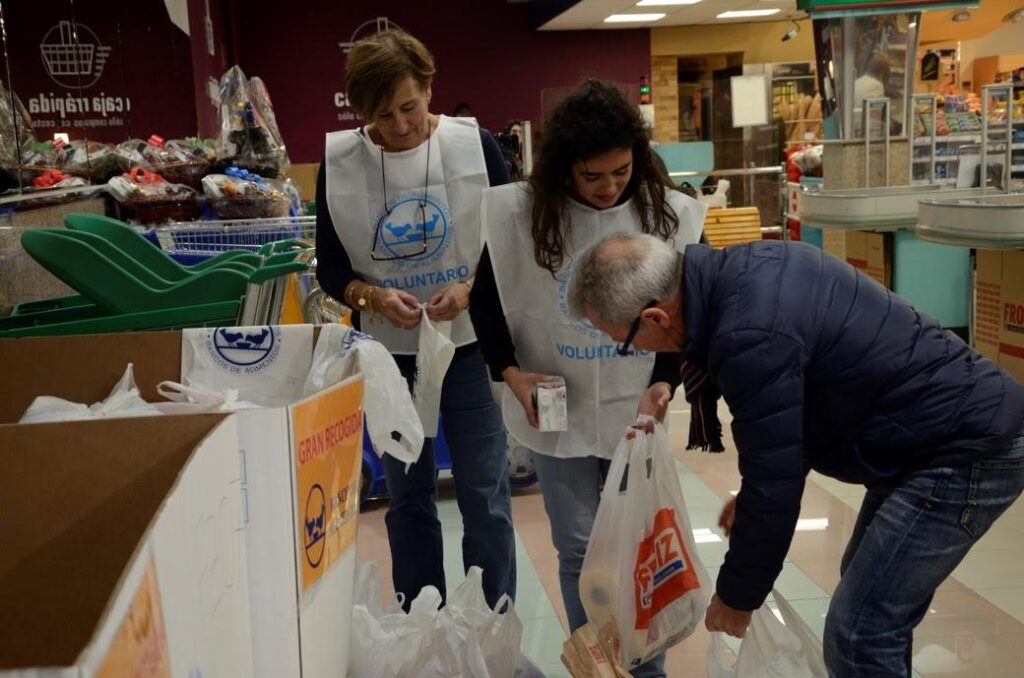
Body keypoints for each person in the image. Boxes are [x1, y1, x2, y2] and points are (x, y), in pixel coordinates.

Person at [568, 233, 1024, 677]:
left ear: (654, 318)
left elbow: (775, 485)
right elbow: (792, 421)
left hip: (964, 447)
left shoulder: (745, 334)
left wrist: (737, 596)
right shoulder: (743, 272)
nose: (632, 351)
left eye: (623, 341)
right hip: (928, 428)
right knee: (866, 601)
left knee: (858, 632)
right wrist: (753, 504)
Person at [469, 80, 706, 677]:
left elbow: (688, 309)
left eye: (621, 172)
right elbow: (488, 302)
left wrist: (667, 381)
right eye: (591, 176)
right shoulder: (521, 212)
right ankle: (602, 666)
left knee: (635, 544)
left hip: (635, 399)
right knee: (576, 544)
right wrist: (511, 374)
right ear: (564, 168)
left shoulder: (665, 211)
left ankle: (644, 666)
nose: (608, 188)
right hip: (556, 401)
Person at [315, 28, 515, 609]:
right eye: (382, 116)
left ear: (430, 87)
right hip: (392, 357)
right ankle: (421, 620)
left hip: (472, 347)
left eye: (409, 106)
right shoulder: (341, 164)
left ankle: (489, 621)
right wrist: (374, 299)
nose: (400, 126)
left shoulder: (476, 148)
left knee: (484, 492)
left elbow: (509, 245)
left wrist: (472, 288)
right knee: (408, 497)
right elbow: (331, 269)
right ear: (361, 114)